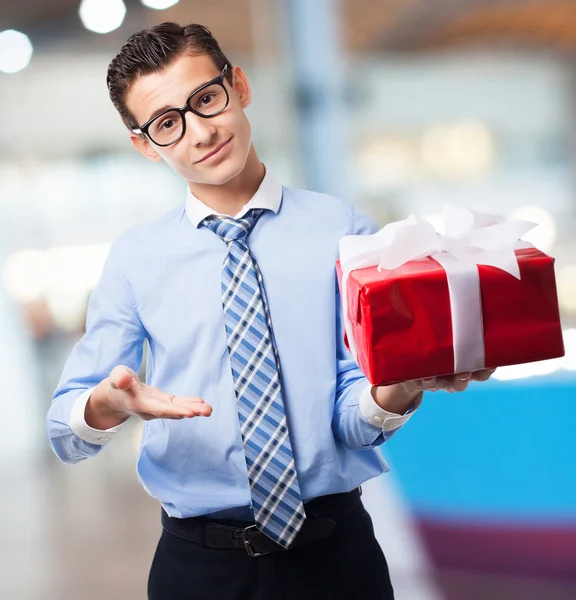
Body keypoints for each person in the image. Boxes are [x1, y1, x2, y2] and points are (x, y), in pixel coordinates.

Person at [46, 22, 494, 600]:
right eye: (167, 123)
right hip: (198, 567)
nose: (200, 132)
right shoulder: (135, 259)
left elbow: (351, 416)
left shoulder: (345, 230)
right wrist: (105, 405)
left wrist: (395, 389)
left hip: (336, 557)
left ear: (238, 85)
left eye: (206, 99)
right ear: (144, 144)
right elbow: (65, 430)